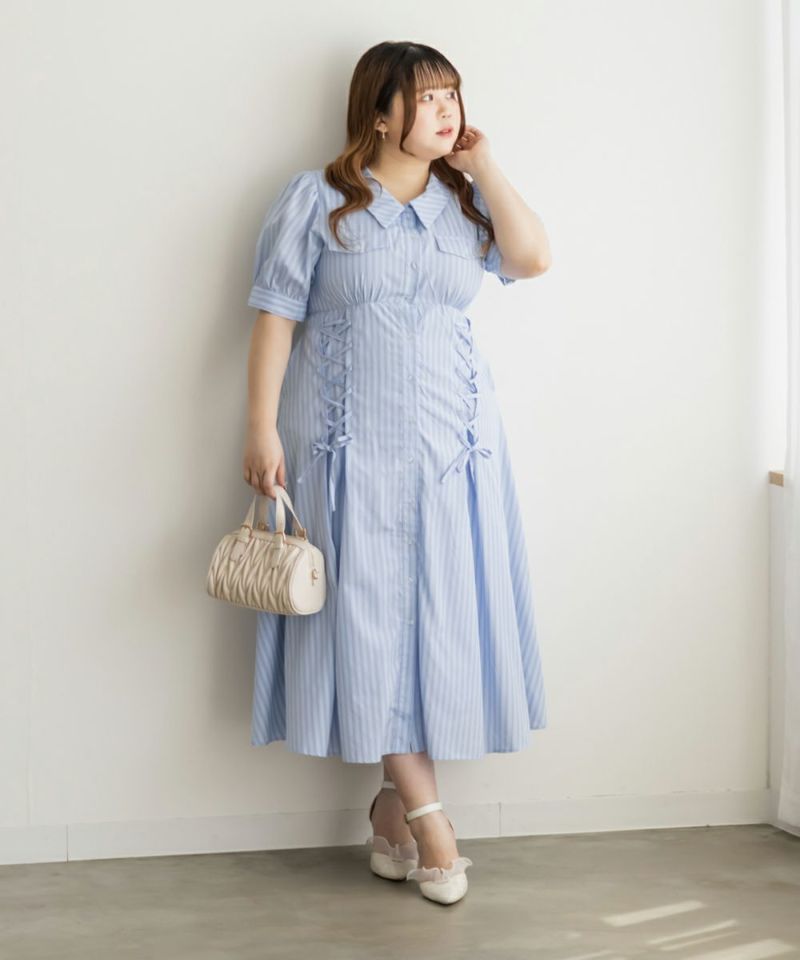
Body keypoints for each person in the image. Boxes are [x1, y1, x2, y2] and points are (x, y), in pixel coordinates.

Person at [242, 40, 552, 905]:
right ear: (380, 114)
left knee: (434, 632)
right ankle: (429, 821)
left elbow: (532, 258)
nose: (447, 111)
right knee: (371, 624)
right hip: (348, 453)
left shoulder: (464, 204)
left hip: (455, 454)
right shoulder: (317, 200)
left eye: (453, 95)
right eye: (427, 98)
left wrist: (484, 164)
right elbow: (274, 316)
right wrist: (259, 428)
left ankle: (388, 808)